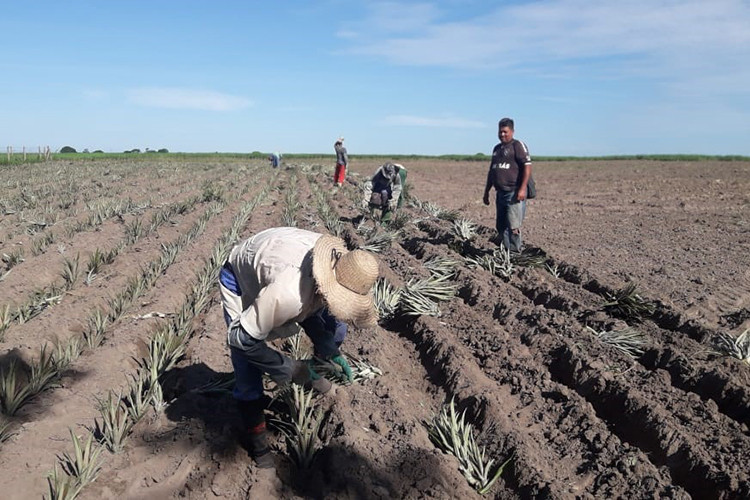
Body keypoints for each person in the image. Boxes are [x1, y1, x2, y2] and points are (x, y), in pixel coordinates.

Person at [219, 227, 379, 468]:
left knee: (335, 328)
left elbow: (311, 307)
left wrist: (329, 349)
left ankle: (317, 375)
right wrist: (291, 369)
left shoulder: (338, 265)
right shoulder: (288, 293)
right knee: (247, 368)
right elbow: (241, 339)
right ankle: (259, 448)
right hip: (242, 281)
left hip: (283, 269)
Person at [482, 118, 532, 252]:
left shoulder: (518, 146)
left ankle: (515, 253)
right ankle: (505, 252)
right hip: (500, 193)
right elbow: (492, 171)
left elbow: (527, 167)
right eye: (500, 132)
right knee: (502, 225)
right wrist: (486, 191)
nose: (502, 135)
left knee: (513, 226)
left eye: (505, 132)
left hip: (514, 192)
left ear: (512, 131)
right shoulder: (497, 149)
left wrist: (522, 189)